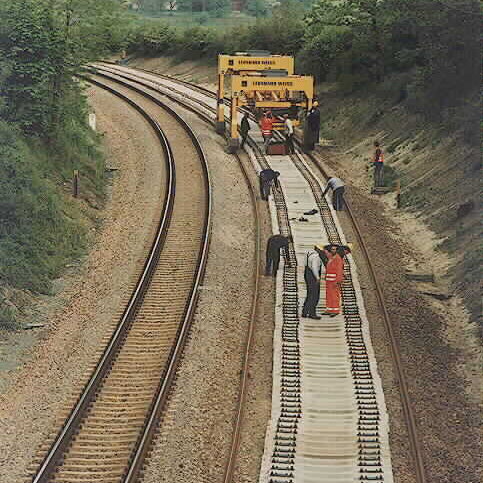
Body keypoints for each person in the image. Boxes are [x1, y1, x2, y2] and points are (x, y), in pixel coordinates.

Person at [302, 245, 328, 319]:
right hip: (313, 276)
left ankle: (305, 311)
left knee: (309, 294)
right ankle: (312, 313)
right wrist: (317, 277)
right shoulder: (316, 257)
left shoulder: (309, 253)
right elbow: (314, 267)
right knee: (315, 295)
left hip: (307, 273)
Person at [322, 245, 349, 317]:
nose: (333, 250)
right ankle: (329, 309)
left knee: (334, 295)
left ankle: (335, 310)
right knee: (329, 295)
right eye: (332, 249)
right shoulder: (331, 257)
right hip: (329, 280)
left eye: (334, 249)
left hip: (334, 281)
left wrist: (338, 280)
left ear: (336, 250)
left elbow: (339, 270)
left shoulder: (338, 259)